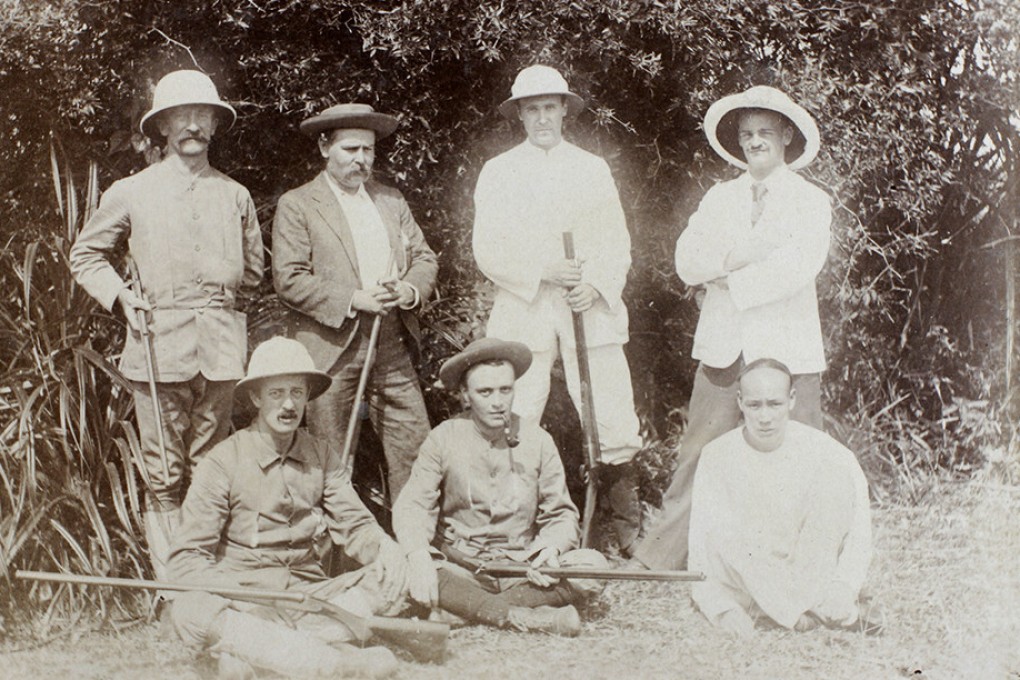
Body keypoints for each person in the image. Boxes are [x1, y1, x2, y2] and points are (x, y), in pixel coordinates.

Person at [69, 70, 264, 580]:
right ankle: (174, 582)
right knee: (163, 472)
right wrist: (121, 297)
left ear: (216, 127)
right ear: (163, 127)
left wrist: (219, 303)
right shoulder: (133, 191)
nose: (194, 126)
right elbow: (85, 255)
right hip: (158, 344)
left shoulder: (235, 195)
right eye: (183, 116)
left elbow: (254, 273)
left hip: (221, 348)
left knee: (212, 462)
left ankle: (211, 574)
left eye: (204, 116)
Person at [633, 85, 832, 570]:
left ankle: (810, 560)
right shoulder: (720, 197)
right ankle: (662, 556)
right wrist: (736, 258)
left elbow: (799, 266)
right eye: (747, 133)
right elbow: (687, 260)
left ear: (786, 135)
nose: (755, 141)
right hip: (724, 342)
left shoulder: (810, 200)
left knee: (801, 451)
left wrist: (725, 282)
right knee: (700, 448)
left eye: (765, 131)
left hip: (788, 344)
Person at [472, 65, 644, 554]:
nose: (542, 117)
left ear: (565, 110)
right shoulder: (500, 171)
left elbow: (618, 243)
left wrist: (594, 285)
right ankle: (513, 528)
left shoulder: (591, 168)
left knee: (609, 413)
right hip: (525, 307)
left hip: (586, 306)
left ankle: (619, 532)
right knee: (516, 411)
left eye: (551, 107)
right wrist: (542, 269)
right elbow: (486, 249)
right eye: (532, 109)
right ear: (520, 115)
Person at [168, 336, 409, 678]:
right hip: (243, 598)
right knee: (190, 610)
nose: (288, 406)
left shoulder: (322, 455)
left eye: (297, 392)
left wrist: (387, 549)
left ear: (307, 396)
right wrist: (245, 601)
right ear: (255, 397)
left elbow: (356, 526)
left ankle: (259, 654)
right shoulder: (222, 461)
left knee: (395, 579)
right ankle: (333, 664)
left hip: (311, 596)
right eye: (276, 393)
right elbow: (187, 559)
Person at [273, 103, 438, 499]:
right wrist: (355, 298)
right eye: (350, 149)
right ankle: (339, 555)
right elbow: (289, 279)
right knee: (331, 457)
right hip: (330, 351)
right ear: (324, 147)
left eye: (368, 150)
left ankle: (414, 547)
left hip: (392, 345)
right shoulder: (298, 204)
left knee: (414, 448)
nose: (361, 159)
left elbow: (424, 257)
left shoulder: (390, 200)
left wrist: (408, 290)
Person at [393, 338, 607, 636]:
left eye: (505, 390)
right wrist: (417, 555)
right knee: (397, 566)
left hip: (521, 569)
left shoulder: (538, 440)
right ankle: (521, 615)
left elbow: (560, 514)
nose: (497, 402)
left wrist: (549, 550)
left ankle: (465, 610)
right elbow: (414, 505)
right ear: (465, 395)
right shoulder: (443, 438)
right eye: (485, 392)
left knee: (592, 566)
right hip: (460, 567)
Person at [687, 358, 876, 637]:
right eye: (754, 405)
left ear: (791, 400)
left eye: (774, 404)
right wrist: (721, 608)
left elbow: (859, 531)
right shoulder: (716, 456)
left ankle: (819, 605)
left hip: (809, 577)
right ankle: (805, 612)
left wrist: (844, 587)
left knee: (835, 487)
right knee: (724, 530)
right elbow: (701, 547)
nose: (765, 417)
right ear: (740, 402)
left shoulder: (828, 453)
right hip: (749, 588)